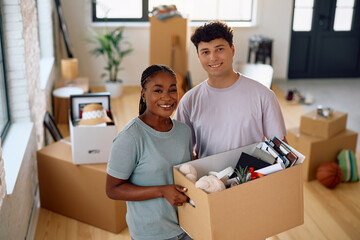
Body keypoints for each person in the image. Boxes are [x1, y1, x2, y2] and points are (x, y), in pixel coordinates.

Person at [174, 21, 287, 159]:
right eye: (205, 52)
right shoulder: (189, 100)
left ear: (232, 50)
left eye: (219, 49)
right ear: (198, 57)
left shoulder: (263, 95)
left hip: (252, 178)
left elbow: (281, 150)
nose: (213, 57)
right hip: (208, 179)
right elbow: (180, 149)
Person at [106, 65, 193, 240]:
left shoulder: (184, 132)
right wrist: (161, 191)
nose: (167, 97)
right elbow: (113, 189)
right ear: (143, 94)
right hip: (151, 234)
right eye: (158, 91)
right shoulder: (130, 138)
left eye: (172, 90)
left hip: (188, 227)